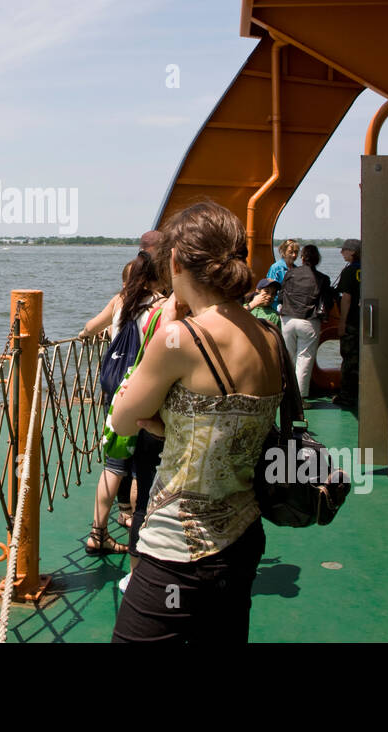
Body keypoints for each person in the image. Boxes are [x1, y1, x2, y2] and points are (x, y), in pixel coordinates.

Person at [108, 200, 282, 643]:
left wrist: (165, 325)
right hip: (244, 534)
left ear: (176, 261)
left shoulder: (181, 338)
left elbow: (122, 419)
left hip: (177, 550)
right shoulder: (268, 335)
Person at [81, 246, 166, 555]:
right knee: (145, 465)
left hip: (116, 391)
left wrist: (85, 335)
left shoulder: (119, 301)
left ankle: (97, 531)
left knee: (115, 464)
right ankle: (140, 528)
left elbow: (90, 328)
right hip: (148, 393)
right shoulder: (163, 306)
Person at [279, 244, 333, 400]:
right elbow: (327, 302)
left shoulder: (290, 273)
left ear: (302, 257)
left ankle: (285, 393)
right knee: (304, 359)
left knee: (289, 358)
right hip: (308, 321)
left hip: (288, 319)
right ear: (317, 260)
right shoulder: (323, 279)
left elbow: (282, 296)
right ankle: (300, 398)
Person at [333, 239, 361, 408]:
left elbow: (346, 299)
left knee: (350, 359)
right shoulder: (369, 269)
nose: (341, 252)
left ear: (352, 252)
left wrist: (342, 322)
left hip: (352, 323)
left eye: (344, 249)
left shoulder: (350, 271)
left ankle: (347, 396)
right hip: (367, 322)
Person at [265, 239, 299, 312]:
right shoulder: (276, 268)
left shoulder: (297, 269)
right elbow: (270, 290)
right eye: (291, 252)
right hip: (276, 305)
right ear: (283, 252)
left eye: (296, 252)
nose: (294, 255)